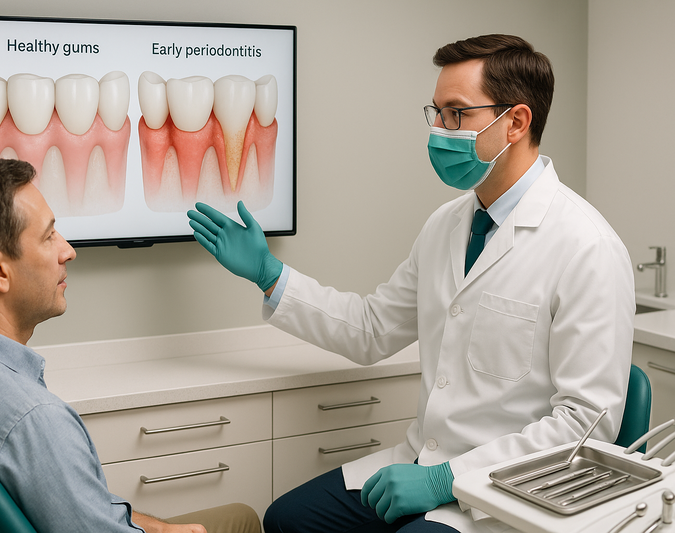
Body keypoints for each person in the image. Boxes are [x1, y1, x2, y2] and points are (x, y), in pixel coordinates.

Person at [187, 34, 635, 533]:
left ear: (516, 121)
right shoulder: (447, 224)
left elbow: (585, 424)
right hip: (420, 461)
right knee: (287, 520)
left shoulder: (586, 247)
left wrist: (450, 481)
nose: (440, 130)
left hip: (505, 494)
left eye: (457, 114)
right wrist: (271, 276)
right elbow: (373, 329)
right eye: (437, 112)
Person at [0, 158, 260, 533]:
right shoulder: (35, 420)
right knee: (243, 519)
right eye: (49, 236)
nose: (68, 251)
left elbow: (80, 511)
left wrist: (158, 528)